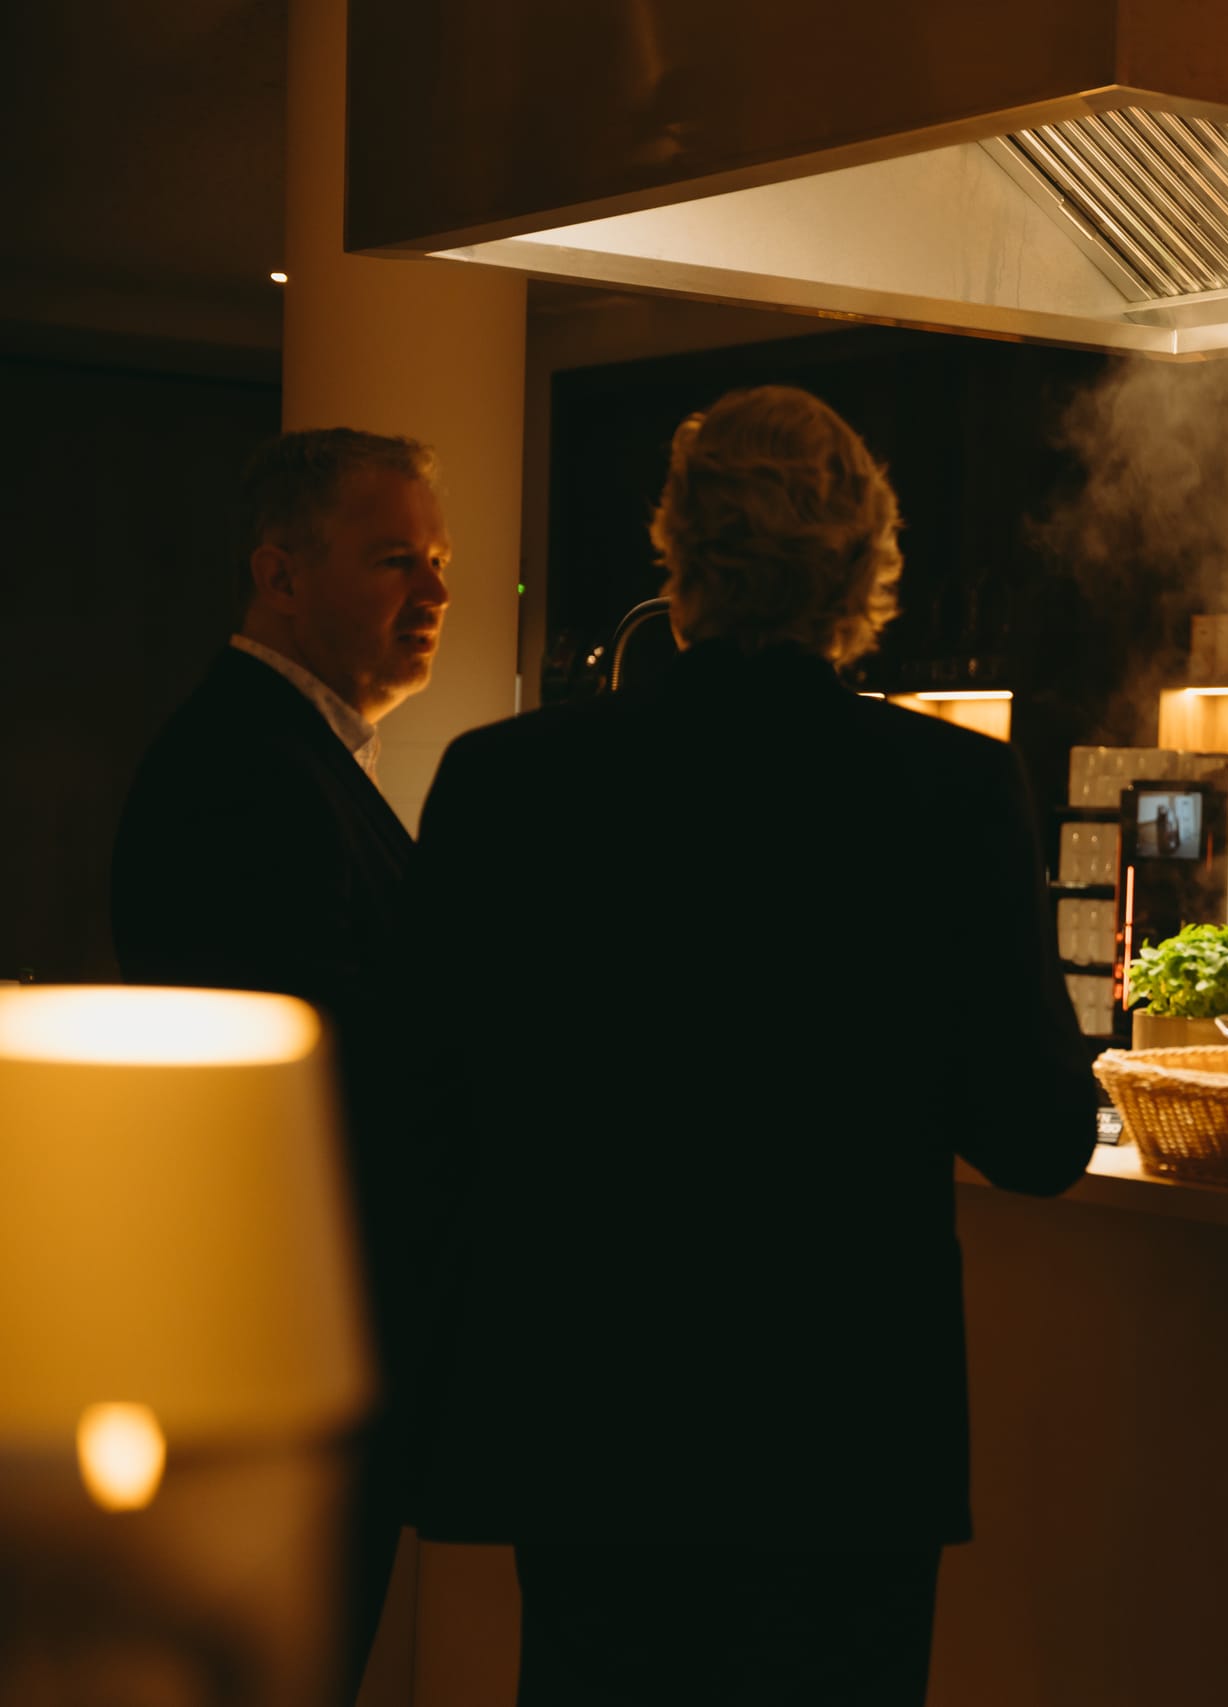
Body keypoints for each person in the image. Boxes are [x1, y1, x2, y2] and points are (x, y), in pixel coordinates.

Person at [400, 384, 1096, 1703]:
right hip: (842, 1438)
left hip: (590, 1420)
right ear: (865, 569)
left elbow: (426, 1107)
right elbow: (1037, 1135)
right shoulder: (946, 790)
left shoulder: (507, 781)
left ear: (677, 551)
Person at [110, 425, 451, 1694]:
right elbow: (324, 1074)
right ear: (280, 574)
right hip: (286, 1351)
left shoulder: (283, 757)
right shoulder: (248, 772)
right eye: (395, 561)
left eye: (438, 562)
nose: (436, 593)